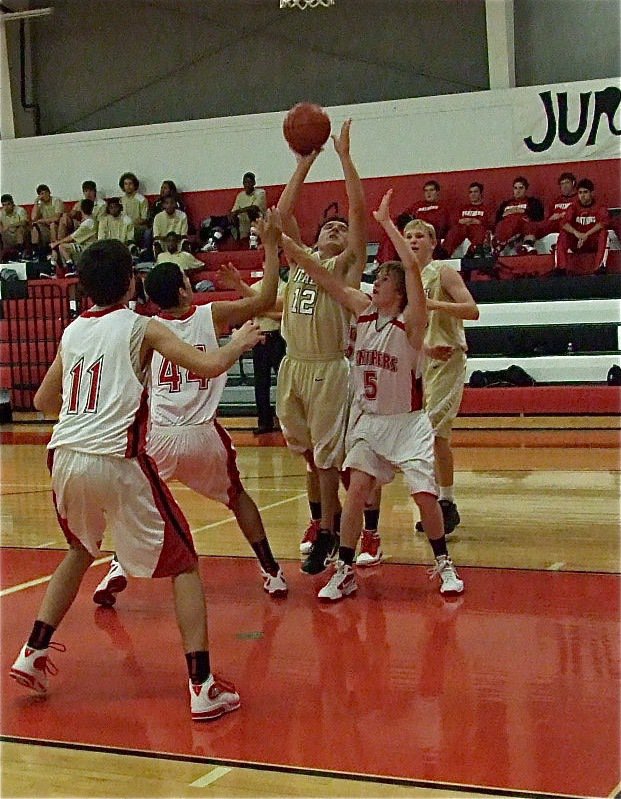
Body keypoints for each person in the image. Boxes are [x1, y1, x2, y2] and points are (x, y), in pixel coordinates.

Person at [9, 238, 263, 721]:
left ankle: (33, 652)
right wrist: (240, 343)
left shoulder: (72, 332)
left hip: (64, 454)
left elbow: (44, 401)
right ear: (131, 281)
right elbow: (208, 365)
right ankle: (202, 685)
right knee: (185, 562)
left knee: (81, 549)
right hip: (114, 456)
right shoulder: (142, 327)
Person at [93, 211, 287, 606]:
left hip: (159, 436)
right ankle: (272, 571)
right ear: (184, 293)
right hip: (202, 434)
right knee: (238, 498)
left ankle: (116, 565)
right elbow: (267, 300)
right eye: (187, 282)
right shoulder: (210, 315)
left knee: (140, 503)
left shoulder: (142, 329)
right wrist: (269, 246)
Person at [279, 190, 464, 601]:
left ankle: (443, 563)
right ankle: (344, 568)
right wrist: (291, 248)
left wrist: (387, 226)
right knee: (357, 489)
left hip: (406, 422)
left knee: (423, 496)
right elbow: (323, 276)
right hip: (369, 421)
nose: (374, 282)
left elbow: (413, 271)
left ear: (397, 291)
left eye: (382, 280)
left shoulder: (412, 323)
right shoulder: (362, 308)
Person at [275, 119, 367, 573]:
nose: (334, 228)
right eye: (326, 226)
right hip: (292, 365)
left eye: (339, 227)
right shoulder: (300, 262)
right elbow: (281, 215)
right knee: (310, 457)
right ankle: (324, 521)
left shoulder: (347, 267)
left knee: (328, 459)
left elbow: (357, 212)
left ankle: (330, 531)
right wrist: (304, 163)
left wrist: (344, 158)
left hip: (329, 368)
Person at [403, 217, 479, 536]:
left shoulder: (443, 272)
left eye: (420, 235)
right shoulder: (404, 278)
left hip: (448, 357)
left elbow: (472, 310)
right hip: (419, 360)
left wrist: (433, 303)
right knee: (427, 437)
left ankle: (446, 503)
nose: (413, 240)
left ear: (433, 243)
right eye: (408, 236)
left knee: (433, 432)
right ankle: (438, 503)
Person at [217, 261, 287, 435]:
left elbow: (285, 314)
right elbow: (250, 311)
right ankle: (264, 422)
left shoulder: (286, 287)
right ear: (264, 265)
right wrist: (266, 311)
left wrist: (262, 311)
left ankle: (288, 421)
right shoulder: (254, 287)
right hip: (260, 336)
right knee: (260, 383)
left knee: (285, 383)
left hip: (279, 336)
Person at [555, 178, 610, 275]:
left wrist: (586, 235)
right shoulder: (573, 207)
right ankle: (561, 267)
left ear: (592, 193)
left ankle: (600, 267)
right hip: (577, 241)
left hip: (592, 241)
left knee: (604, 234)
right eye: (580, 193)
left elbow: (603, 223)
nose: (582, 195)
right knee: (563, 234)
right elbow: (563, 223)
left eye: (585, 192)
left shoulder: (599, 206)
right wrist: (577, 233)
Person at [493, 176, 544, 254]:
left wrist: (523, 211)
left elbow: (539, 217)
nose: (518, 191)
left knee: (525, 223)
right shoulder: (505, 204)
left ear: (525, 190)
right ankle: (500, 242)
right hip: (506, 227)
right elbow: (497, 220)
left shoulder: (533, 202)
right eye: (515, 188)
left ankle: (526, 245)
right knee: (506, 223)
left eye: (521, 188)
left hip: (523, 227)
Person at [442, 183, 493, 258]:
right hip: (462, 230)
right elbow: (456, 221)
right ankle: (444, 253)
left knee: (480, 230)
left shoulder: (486, 209)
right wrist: (473, 220)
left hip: (477, 231)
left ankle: (472, 252)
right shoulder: (462, 208)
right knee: (454, 231)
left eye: (475, 192)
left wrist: (470, 221)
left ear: (481, 193)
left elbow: (488, 223)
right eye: (470, 192)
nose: (473, 194)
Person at [50, 199, 97, 274]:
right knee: (57, 246)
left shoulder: (89, 222)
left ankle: (71, 268)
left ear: (81, 209)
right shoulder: (86, 220)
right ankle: (53, 271)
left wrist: (57, 242)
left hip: (88, 247)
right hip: (81, 244)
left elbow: (73, 237)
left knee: (62, 246)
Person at [230, 172, 267, 242]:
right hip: (243, 222)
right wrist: (233, 214)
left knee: (251, 211)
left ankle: (254, 236)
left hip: (259, 220)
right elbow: (233, 211)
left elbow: (254, 208)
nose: (247, 185)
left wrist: (238, 211)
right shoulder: (240, 195)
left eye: (249, 182)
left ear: (254, 183)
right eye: (245, 183)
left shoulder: (261, 192)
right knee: (227, 219)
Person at [30, 184, 64, 253]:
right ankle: (35, 251)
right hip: (46, 227)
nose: (44, 195)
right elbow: (33, 218)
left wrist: (41, 220)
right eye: (42, 194)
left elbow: (56, 218)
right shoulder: (41, 204)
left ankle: (54, 249)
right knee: (35, 227)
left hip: (59, 226)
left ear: (49, 192)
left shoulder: (56, 200)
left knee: (52, 225)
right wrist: (36, 203)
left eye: (46, 193)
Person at [119, 172, 150, 246]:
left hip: (137, 228)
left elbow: (144, 218)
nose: (128, 186)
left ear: (134, 185)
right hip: (123, 228)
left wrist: (131, 224)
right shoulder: (121, 200)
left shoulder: (141, 200)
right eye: (126, 184)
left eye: (130, 184)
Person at [0, 194, 30, 259]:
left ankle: (20, 252)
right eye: (4, 205)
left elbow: (24, 222)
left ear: (12, 204)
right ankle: (5, 254)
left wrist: (10, 226)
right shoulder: (1, 213)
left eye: (8, 204)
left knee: (20, 229)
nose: (6, 207)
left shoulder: (20, 210)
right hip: (8, 236)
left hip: (21, 235)